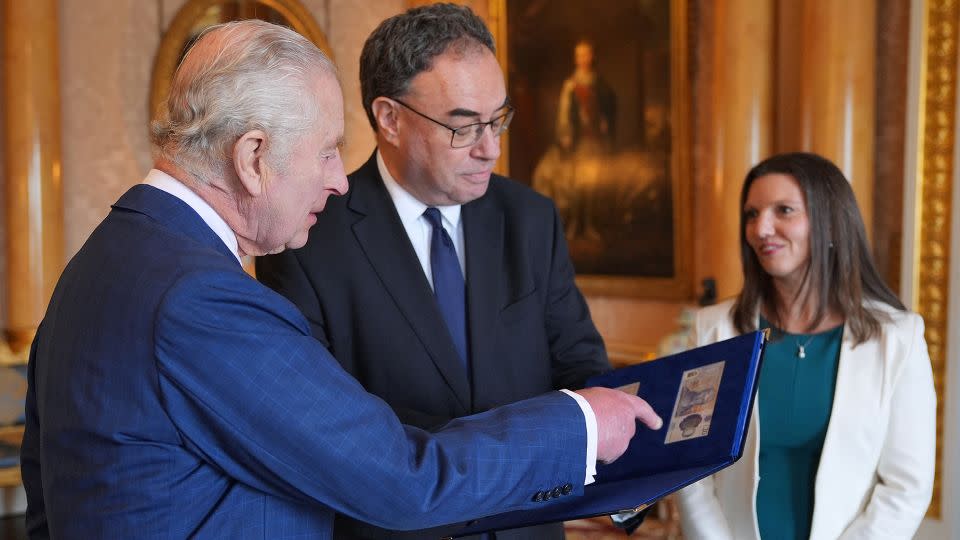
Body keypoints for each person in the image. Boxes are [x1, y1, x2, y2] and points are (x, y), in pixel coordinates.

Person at [19, 19, 664, 538]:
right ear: (253, 158)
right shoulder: (201, 300)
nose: (336, 177)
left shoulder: (104, 258)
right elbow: (400, 477)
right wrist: (577, 424)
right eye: (326, 150)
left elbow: (46, 483)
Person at [255, 5, 612, 539]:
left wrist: (625, 476)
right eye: (464, 127)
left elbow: (581, 369)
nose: (490, 149)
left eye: (498, 120)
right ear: (390, 118)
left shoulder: (531, 219)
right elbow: (326, 435)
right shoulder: (306, 239)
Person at [676, 152, 936, 539]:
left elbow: (906, 488)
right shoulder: (712, 329)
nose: (762, 228)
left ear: (830, 223)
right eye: (751, 214)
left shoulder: (898, 337)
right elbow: (688, 466)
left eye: (783, 210)